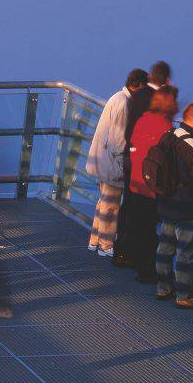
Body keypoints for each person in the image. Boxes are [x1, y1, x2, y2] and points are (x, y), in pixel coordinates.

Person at [143, 102, 193, 307]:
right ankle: (184, 295)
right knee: (187, 252)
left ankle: (163, 287)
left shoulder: (170, 136)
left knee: (165, 247)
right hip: (188, 209)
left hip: (167, 202)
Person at [83, 69, 147, 256]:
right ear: (139, 85)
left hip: (102, 160)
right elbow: (118, 141)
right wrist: (124, 163)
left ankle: (95, 239)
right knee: (111, 205)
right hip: (112, 163)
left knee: (104, 201)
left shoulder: (117, 97)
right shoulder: (125, 105)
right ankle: (106, 244)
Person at [118, 85, 176, 284]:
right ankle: (150, 270)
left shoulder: (144, 120)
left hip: (136, 182)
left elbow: (134, 145)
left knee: (142, 227)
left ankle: (141, 265)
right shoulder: (165, 127)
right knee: (151, 230)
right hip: (152, 188)